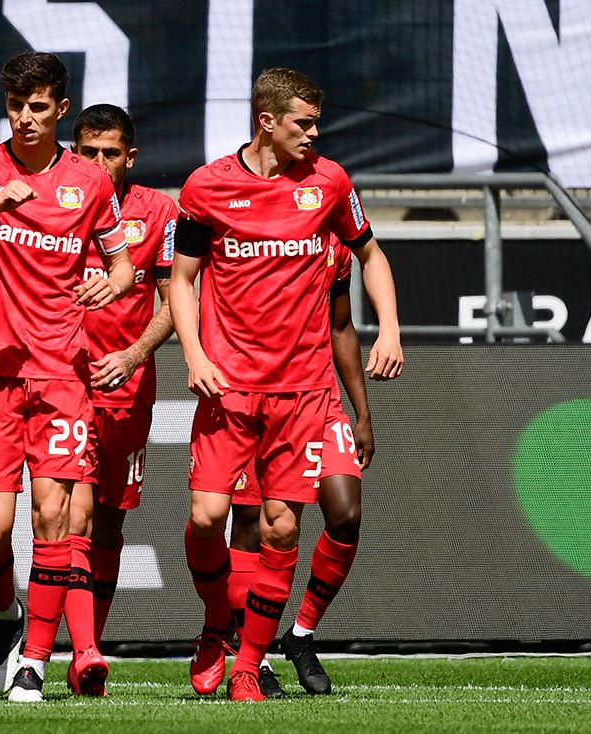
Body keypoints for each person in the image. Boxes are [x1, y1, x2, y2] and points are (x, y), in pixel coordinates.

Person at [170, 67, 402, 702]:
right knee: (206, 517)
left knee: (279, 528)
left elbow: (371, 255)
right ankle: (219, 620)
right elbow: (181, 279)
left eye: (316, 122)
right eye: (304, 122)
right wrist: (194, 353)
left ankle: (249, 662)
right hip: (229, 388)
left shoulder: (328, 182)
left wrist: (391, 330)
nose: (315, 133)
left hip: (302, 391)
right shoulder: (206, 187)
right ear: (266, 122)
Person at [0, 51, 135, 704]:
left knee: (53, 516)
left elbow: (124, 265)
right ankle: (10, 621)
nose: (26, 117)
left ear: (61, 109)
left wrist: (108, 281)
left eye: (38, 106)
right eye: (16, 105)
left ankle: (34, 665)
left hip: (62, 373)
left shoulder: (90, 184)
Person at [226, 234, 397, 698]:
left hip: (319, 402)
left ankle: (300, 635)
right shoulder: (252, 226)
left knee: (346, 514)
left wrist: (361, 414)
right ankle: (250, 658)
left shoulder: (335, 245)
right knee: (248, 523)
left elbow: (340, 327)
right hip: (252, 398)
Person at [59, 103, 177, 696]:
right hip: (60, 382)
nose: (98, 163)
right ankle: (37, 644)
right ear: (73, 150)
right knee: (59, 517)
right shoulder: (51, 198)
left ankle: (89, 649)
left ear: (130, 157)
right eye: (88, 152)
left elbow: (175, 299)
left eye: (110, 153)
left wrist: (132, 356)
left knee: (106, 522)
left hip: (126, 388)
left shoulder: (160, 212)